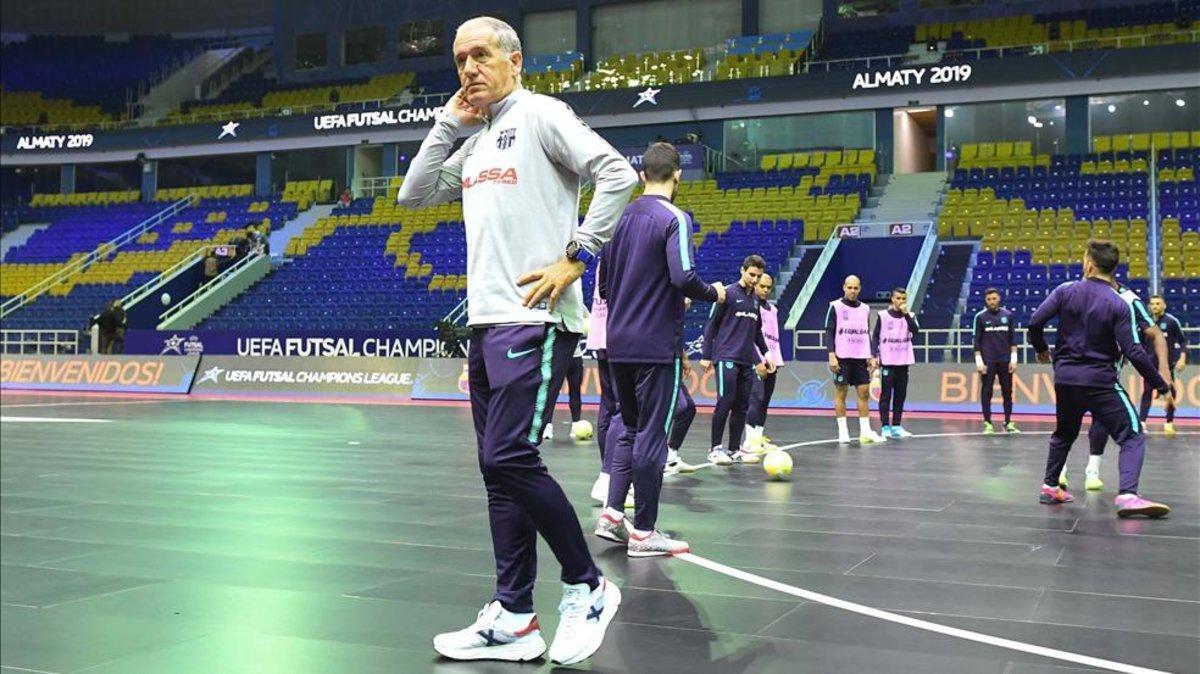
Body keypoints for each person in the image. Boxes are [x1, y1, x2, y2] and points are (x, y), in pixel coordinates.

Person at [396, 16, 637, 665]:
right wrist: (449, 124)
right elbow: (412, 194)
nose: (469, 68)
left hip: (535, 320)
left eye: (480, 55)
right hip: (485, 323)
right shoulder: (473, 144)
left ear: (515, 60)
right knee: (496, 475)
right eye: (459, 60)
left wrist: (576, 256)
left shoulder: (540, 116)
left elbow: (617, 176)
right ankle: (514, 616)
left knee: (508, 458)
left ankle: (588, 587)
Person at [595, 141, 725, 558]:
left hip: (618, 344)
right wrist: (713, 294)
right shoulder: (675, 218)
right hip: (655, 347)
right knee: (652, 435)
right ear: (678, 176)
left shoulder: (619, 218)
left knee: (629, 430)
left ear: (640, 175)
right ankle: (645, 532)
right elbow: (684, 275)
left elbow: (602, 286)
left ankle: (613, 514)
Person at [1028, 240, 1172, 518]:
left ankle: (1049, 487)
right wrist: (1161, 384)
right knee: (1131, 434)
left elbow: (1035, 322)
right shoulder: (1119, 304)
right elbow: (1134, 350)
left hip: (1065, 378)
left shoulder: (1065, 291)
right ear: (1113, 268)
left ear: (1089, 264)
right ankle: (1128, 495)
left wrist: (1041, 349)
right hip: (1101, 381)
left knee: (1064, 432)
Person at [1060, 282, 1170, 491]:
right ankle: (1060, 472)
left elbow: (1154, 334)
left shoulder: (1129, 299)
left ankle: (1092, 471)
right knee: (1067, 424)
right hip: (1076, 367)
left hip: (1103, 372)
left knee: (1099, 420)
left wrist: (1163, 369)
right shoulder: (1075, 291)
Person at [702, 255, 772, 465]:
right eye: (751, 274)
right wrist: (706, 355)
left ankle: (734, 449)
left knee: (742, 405)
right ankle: (715, 448)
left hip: (745, 360)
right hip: (726, 357)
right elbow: (711, 325)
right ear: (742, 270)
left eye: (758, 276)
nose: (754, 279)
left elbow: (757, 331)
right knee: (725, 401)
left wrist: (766, 353)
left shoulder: (755, 300)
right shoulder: (728, 293)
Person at [825, 275, 885, 444]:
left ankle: (865, 431)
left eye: (856, 288)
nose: (852, 291)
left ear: (860, 289)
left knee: (864, 393)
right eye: (849, 287)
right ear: (844, 287)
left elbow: (866, 333)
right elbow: (829, 331)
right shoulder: (835, 306)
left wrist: (871, 355)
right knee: (841, 394)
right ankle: (843, 432)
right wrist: (831, 355)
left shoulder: (865, 308)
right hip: (842, 357)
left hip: (860, 357)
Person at [871, 287, 919, 439]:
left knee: (900, 395)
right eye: (898, 298)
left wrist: (906, 314)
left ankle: (897, 426)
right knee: (886, 396)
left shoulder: (910, 315)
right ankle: (885, 426)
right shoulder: (883, 315)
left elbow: (915, 331)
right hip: (887, 362)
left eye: (903, 299)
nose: (901, 301)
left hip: (903, 362)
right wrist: (873, 355)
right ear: (892, 299)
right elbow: (875, 336)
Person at [744, 272, 783, 453]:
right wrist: (758, 359)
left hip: (771, 360)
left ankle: (757, 439)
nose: (765, 290)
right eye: (762, 286)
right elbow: (751, 336)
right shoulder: (749, 306)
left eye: (769, 287)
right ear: (755, 284)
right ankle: (749, 441)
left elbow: (773, 338)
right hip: (755, 359)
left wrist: (775, 358)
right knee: (756, 398)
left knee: (765, 401)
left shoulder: (773, 310)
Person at [973, 288, 1020, 434]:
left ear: (999, 298)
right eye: (989, 299)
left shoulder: (1008, 315)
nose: (992, 301)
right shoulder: (980, 317)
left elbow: (1013, 339)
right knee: (987, 392)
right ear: (986, 301)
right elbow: (977, 342)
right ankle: (988, 423)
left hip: (1005, 360)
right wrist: (979, 362)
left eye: (994, 298)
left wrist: (1014, 360)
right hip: (988, 361)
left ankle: (1008, 421)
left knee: (1007, 392)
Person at [1139, 295, 1187, 437]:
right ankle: (1142, 423)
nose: (1155, 306)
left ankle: (1169, 422)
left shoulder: (1172, 322)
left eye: (1158, 303)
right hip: (1149, 366)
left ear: (1164, 305)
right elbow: (1139, 343)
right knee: (1147, 391)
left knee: (1171, 392)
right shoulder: (1145, 323)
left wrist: (1182, 359)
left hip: (1167, 367)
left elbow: (1183, 342)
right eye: (1152, 304)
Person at [540, 341, 586, 442]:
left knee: (575, 390)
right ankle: (547, 425)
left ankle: (576, 424)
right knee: (552, 391)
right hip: (558, 355)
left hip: (576, 356)